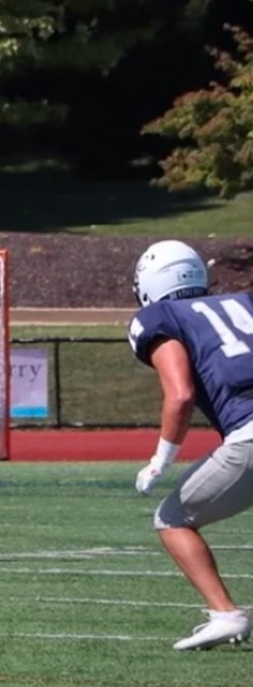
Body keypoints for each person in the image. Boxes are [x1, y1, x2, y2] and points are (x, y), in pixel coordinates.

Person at [128, 239, 253, 651]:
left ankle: (225, 613)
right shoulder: (244, 302)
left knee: (172, 520)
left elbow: (180, 394)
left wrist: (160, 461)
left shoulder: (159, 316)